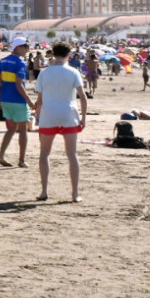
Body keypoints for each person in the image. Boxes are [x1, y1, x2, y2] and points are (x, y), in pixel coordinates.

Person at [31, 42, 86, 202]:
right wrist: (83, 118)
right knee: (72, 155)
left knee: (44, 154)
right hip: (68, 114)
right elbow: (82, 96)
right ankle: (75, 194)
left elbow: (39, 100)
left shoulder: (44, 73)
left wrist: (38, 118)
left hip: (49, 114)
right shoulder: (73, 72)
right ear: (68, 55)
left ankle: (44, 191)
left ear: (53, 55)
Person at [0, 38, 32, 168]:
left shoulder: (3, 61)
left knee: (11, 129)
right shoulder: (20, 63)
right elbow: (19, 85)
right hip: (17, 99)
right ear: (17, 47)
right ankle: (21, 160)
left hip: (5, 98)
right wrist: (29, 100)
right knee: (22, 130)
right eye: (25, 46)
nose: (27, 49)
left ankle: (1, 155)